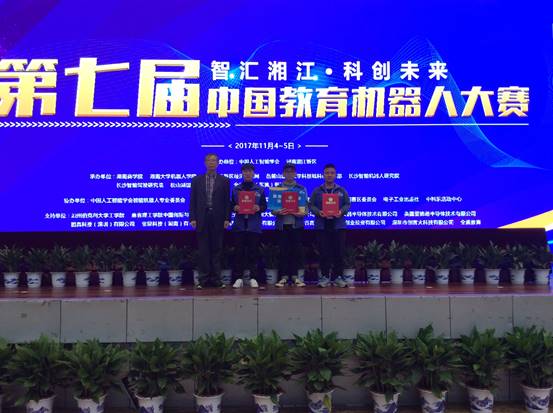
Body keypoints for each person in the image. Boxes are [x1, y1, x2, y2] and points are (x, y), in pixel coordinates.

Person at [189, 153, 231, 288]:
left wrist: (227, 218)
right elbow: (193, 200)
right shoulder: (196, 180)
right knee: (203, 250)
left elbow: (227, 202)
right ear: (205, 163)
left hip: (218, 218)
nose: (211, 163)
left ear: (218, 163)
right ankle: (203, 279)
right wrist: (192, 217)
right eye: (209, 160)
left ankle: (216, 279)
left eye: (214, 161)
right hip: (202, 217)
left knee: (217, 249)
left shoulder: (224, 180)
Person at [308, 163, 351, 287]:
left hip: (338, 225)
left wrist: (341, 211)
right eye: (327, 173)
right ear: (323, 174)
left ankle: (338, 277)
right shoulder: (317, 191)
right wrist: (318, 212)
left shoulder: (341, 190)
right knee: (324, 252)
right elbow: (311, 205)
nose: (329, 175)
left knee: (339, 253)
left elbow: (347, 204)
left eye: (332, 173)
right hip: (322, 226)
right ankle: (325, 277)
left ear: (335, 175)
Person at [230, 163, 267, 288]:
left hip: (254, 226)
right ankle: (238, 278)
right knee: (238, 253)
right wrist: (234, 207)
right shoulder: (236, 189)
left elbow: (264, 206)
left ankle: (254, 277)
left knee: (253, 253)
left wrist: (258, 207)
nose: (247, 173)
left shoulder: (259, 189)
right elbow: (230, 205)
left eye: (250, 171)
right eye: (245, 171)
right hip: (239, 225)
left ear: (253, 173)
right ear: (242, 173)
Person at [272, 163, 307, 287]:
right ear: (283, 174)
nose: (289, 174)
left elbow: (306, 209)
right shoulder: (277, 189)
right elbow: (272, 210)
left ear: (295, 174)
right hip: (282, 225)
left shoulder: (301, 189)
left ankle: (295, 277)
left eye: (292, 172)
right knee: (283, 251)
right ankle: (283, 277)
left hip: (296, 225)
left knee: (296, 251)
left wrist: (301, 213)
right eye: (287, 171)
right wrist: (277, 211)